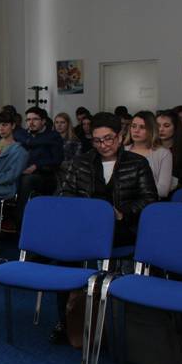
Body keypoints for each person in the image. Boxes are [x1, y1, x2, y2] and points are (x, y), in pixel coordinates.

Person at [55, 112, 157, 343]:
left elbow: (149, 200)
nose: (104, 145)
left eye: (109, 138)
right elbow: (65, 195)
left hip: (122, 228)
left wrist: (123, 213)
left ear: (120, 137)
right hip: (86, 228)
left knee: (111, 255)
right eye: (97, 140)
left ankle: (118, 324)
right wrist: (86, 212)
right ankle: (67, 320)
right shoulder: (80, 162)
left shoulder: (137, 163)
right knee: (65, 257)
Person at [14, 106, 63, 229]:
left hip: (45, 175)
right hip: (22, 172)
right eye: (28, 119)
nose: (31, 122)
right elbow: (17, 133)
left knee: (26, 180)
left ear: (43, 121)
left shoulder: (53, 136)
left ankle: (20, 223)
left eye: (35, 119)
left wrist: (36, 166)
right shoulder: (23, 134)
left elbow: (57, 160)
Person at [126, 111, 173, 199]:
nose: (136, 130)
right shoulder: (122, 150)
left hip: (150, 203)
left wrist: (128, 190)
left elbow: (163, 191)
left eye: (142, 127)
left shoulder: (163, 153)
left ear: (152, 129)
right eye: (133, 126)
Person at [157, 110, 182, 191]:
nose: (161, 129)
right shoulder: (148, 149)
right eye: (157, 125)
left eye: (166, 126)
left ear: (176, 128)